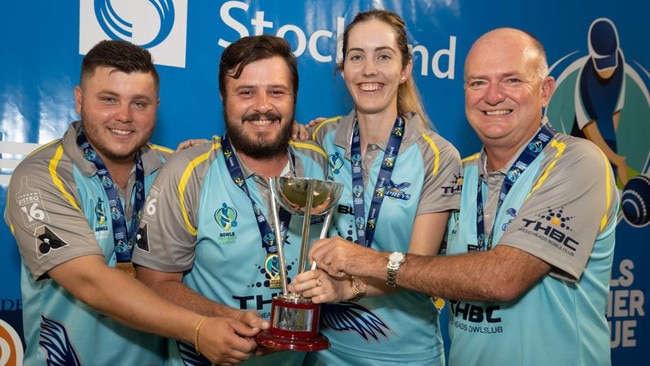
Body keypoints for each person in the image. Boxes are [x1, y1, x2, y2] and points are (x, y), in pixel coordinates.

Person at [310, 28, 619, 366]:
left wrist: (365, 260)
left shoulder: (578, 162)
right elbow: (424, 267)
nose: (493, 96)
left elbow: (503, 279)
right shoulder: (459, 171)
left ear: (545, 91)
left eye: (512, 80)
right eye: (477, 83)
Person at [4, 39, 263, 365]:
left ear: (157, 104)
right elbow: (91, 281)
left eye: (139, 103)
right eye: (109, 100)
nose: (124, 116)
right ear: (79, 100)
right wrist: (199, 328)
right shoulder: (41, 176)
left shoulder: (177, 169)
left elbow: (247, 162)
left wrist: (292, 135)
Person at [132, 35, 328, 366]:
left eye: (277, 92)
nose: (263, 106)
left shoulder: (320, 166)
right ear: (224, 98)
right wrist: (224, 318)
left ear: (295, 98)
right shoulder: (188, 172)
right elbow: (155, 284)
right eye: (246, 92)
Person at [288, 9, 462, 366]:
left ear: (405, 69)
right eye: (356, 57)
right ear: (343, 69)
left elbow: (420, 268)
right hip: (325, 354)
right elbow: (262, 151)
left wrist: (344, 288)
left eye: (383, 56)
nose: (369, 69)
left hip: (406, 356)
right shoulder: (322, 139)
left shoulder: (438, 156)